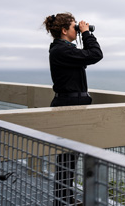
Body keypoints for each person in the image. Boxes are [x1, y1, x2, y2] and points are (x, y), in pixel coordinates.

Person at [43, 12, 103, 205]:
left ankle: (65, 200)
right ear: (64, 30)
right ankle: (62, 202)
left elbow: (88, 56)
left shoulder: (64, 50)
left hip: (71, 106)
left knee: (69, 160)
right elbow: (95, 54)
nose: (77, 27)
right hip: (68, 108)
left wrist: (81, 33)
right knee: (67, 161)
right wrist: (86, 33)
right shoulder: (61, 50)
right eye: (74, 26)